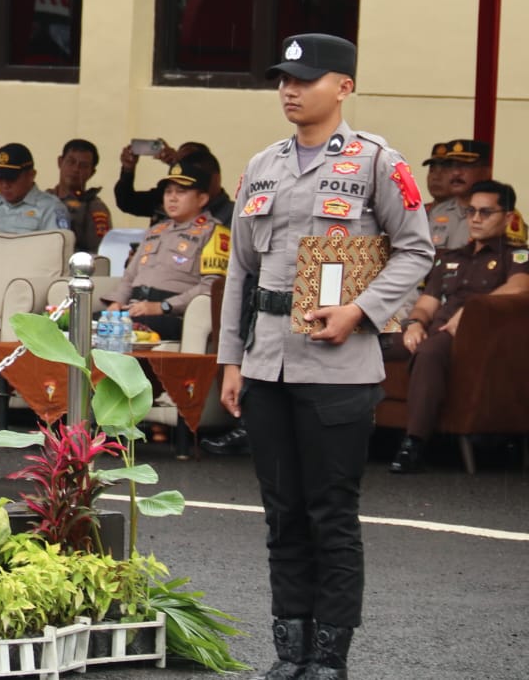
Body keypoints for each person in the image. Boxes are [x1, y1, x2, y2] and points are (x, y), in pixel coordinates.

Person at [217, 33, 433, 680]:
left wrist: (359, 311)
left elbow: (416, 250)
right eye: (283, 79)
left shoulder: (377, 163)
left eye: (304, 79)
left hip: (339, 367)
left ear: (343, 87)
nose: (289, 90)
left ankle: (330, 657)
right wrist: (231, 360)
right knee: (282, 514)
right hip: (266, 363)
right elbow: (239, 269)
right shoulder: (262, 165)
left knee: (330, 514)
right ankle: (290, 652)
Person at [389, 180, 529, 473]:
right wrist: (414, 324)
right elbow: (426, 303)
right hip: (434, 329)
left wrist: (468, 311)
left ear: (507, 217)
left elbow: (519, 287)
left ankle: (413, 443)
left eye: (485, 212)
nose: (475, 219)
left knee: (429, 352)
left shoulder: (517, 255)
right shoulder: (451, 258)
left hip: (470, 339)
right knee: (369, 344)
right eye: (471, 211)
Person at [103, 162, 228, 343]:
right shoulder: (156, 230)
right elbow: (129, 277)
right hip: (134, 309)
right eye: (168, 192)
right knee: (80, 321)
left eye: (181, 192)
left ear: (202, 199)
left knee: (128, 327)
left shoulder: (214, 233)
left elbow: (212, 286)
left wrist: (164, 306)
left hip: (172, 315)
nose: (172, 198)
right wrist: (116, 303)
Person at [116, 140, 234, 225]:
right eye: (180, 163)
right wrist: (127, 170)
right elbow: (127, 202)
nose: (173, 198)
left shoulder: (232, 215)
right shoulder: (167, 197)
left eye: (190, 166)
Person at [0, 143, 70, 235]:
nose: (5, 185)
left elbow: (56, 246)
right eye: (0, 178)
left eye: (11, 178)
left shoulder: (51, 208)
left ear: (31, 175)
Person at [419, 139, 489, 251]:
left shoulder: (499, 216)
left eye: (465, 166)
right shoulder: (437, 212)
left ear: (485, 172)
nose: (456, 173)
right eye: (451, 166)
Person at [51, 139, 113, 254]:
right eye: (71, 162)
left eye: (83, 166)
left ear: (92, 172)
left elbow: (98, 252)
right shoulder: (42, 200)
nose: (76, 169)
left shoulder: (95, 208)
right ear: (60, 162)